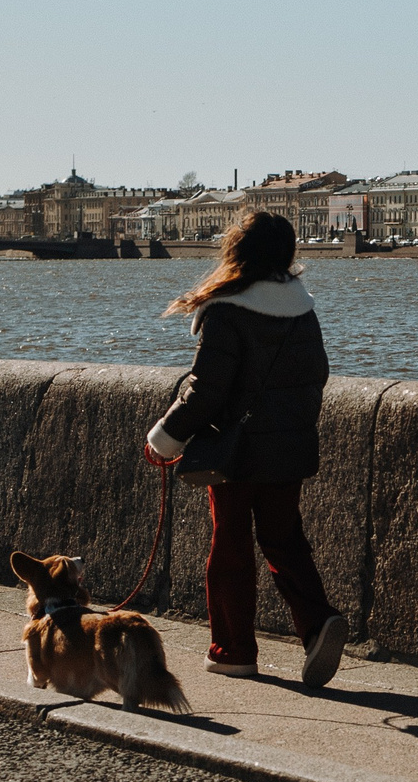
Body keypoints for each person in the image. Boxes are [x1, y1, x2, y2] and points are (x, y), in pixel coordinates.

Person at [143, 210, 348, 686]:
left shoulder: (227, 310)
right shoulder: (303, 310)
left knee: (231, 542)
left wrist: (165, 438)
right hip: (290, 447)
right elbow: (315, 376)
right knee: (284, 538)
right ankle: (318, 622)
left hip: (233, 450)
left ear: (237, 252)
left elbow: (206, 390)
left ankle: (233, 650)